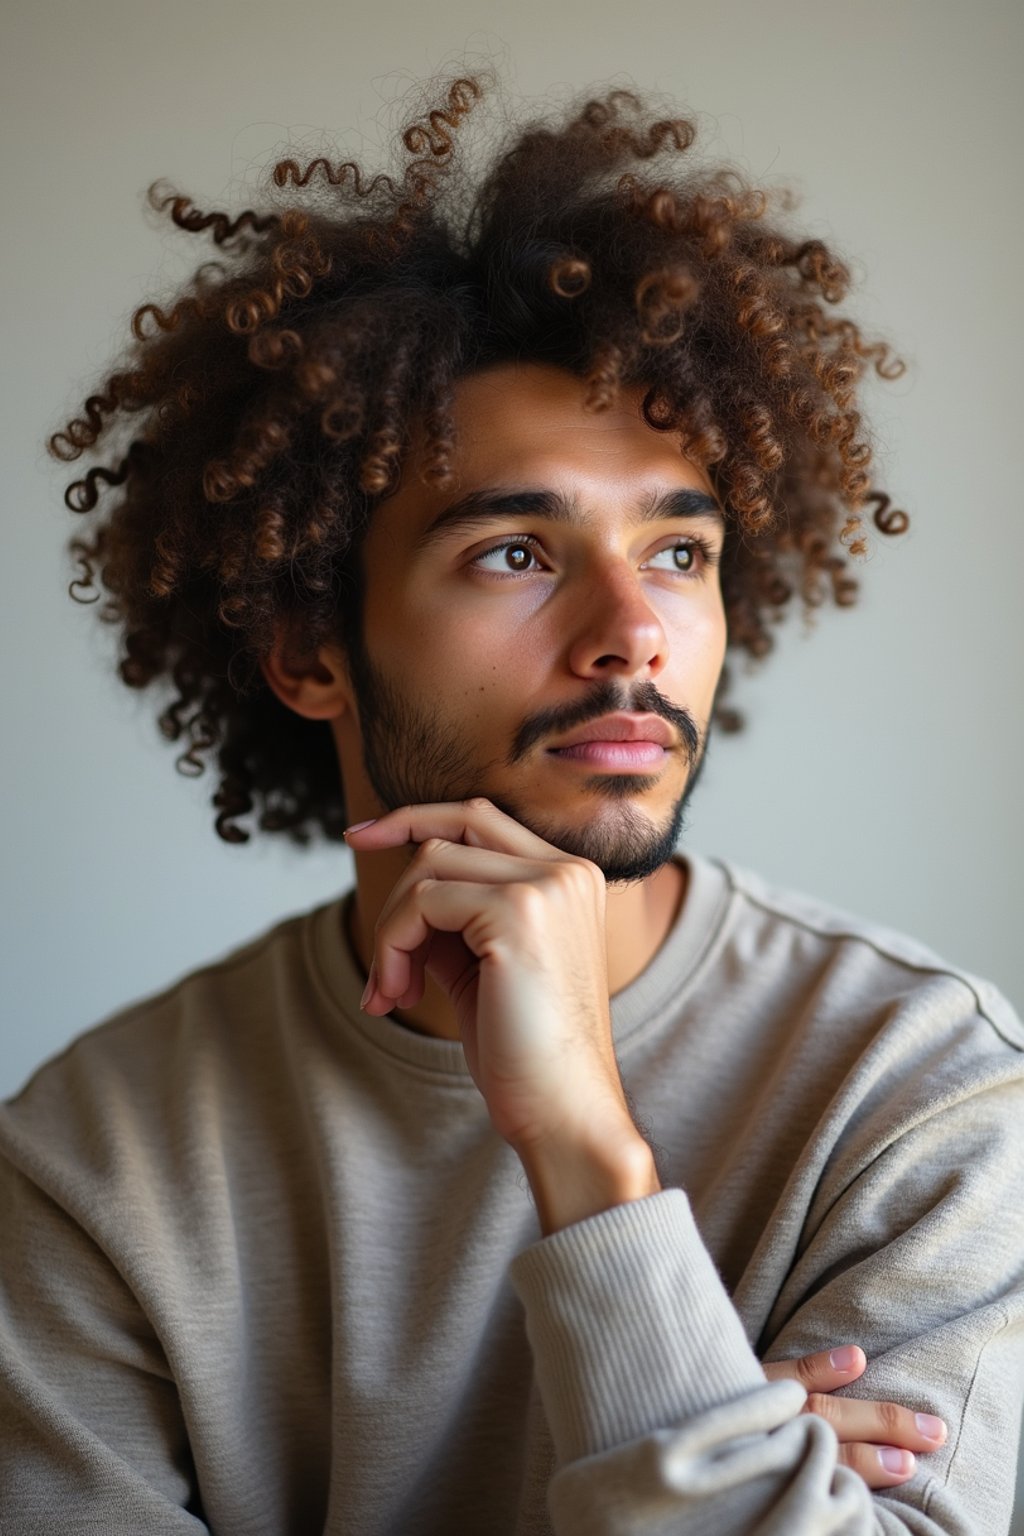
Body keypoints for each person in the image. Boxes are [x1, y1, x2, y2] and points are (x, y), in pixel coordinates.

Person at [2, 71, 1022, 1535]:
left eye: (679, 555)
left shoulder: (925, 1098)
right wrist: (722, 1457)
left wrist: (590, 1165)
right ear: (307, 649)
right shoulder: (97, 1168)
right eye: (514, 555)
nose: (631, 634)